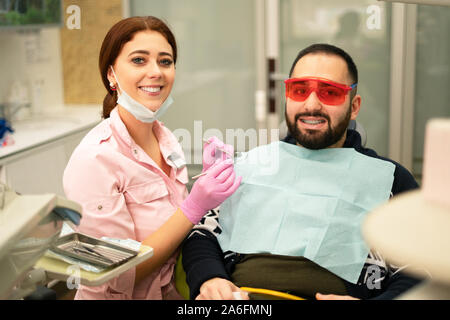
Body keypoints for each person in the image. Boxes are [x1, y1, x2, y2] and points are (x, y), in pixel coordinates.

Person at [182, 43, 421, 300]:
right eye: (300, 90)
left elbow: (421, 269)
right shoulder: (249, 166)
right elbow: (202, 234)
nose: (311, 104)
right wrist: (210, 278)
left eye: (330, 92)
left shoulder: (390, 181)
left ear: (354, 105)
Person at [63, 16, 241, 300]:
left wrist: (209, 190)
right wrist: (194, 206)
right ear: (111, 74)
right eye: (138, 60)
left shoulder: (166, 139)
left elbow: (175, 230)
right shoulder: (94, 159)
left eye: (165, 61)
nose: (156, 72)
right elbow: (116, 274)